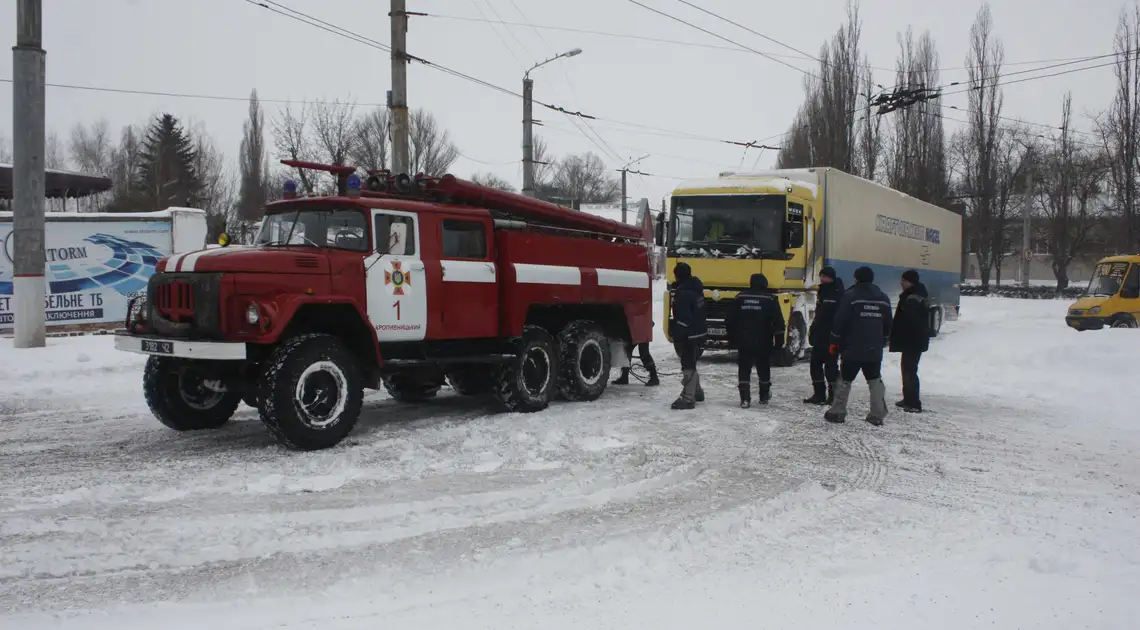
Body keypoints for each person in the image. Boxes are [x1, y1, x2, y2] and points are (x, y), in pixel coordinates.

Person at [825, 266, 893, 426]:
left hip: (852, 347)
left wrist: (834, 341)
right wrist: (883, 340)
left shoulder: (850, 296)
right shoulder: (883, 298)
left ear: (856, 278)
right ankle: (877, 415)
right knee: (875, 380)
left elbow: (840, 320)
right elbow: (888, 323)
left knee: (845, 380)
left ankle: (837, 412)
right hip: (874, 348)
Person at [725, 273, 785, 408]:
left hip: (744, 341)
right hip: (763, 341)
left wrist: (732, 338)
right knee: (763, 368)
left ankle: (745, 398)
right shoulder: (770, 299)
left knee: (744, 369)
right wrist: (779, 341)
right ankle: (764, 396)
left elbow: (729, 320)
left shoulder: (740, 297)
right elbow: (778, 322)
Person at [889, 269, 931, 413]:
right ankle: (908, 398)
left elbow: (910, 321)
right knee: (907, 369)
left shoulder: (913, 298)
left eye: (904, 280)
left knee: (909, 370)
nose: (901, 283)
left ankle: (913, 403)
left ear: (911, 282)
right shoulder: (915, 295)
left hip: (913, 341)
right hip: (914, 340)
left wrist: (900, 335)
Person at [803, 266, 844, 406]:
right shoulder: (823, 291)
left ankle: (834, 395)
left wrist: (836, 336)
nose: (822, 278)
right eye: (821, 276)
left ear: (830, 277)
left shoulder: (838, 293)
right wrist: (813, 331)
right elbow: (819, 315)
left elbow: (838, 317)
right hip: (820, 335)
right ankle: (819, 394)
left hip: (831, 336)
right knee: (815, 365)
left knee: (831, 367)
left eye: (824, 276)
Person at [668, 262, 706, 410]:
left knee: (688, 364)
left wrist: (677, 333)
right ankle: (697, 391)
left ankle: (688, 398)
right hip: (699, 331)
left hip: (689, 334)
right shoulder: (696, 288)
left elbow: (683, 318)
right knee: (692, 361)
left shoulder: (683, 293)